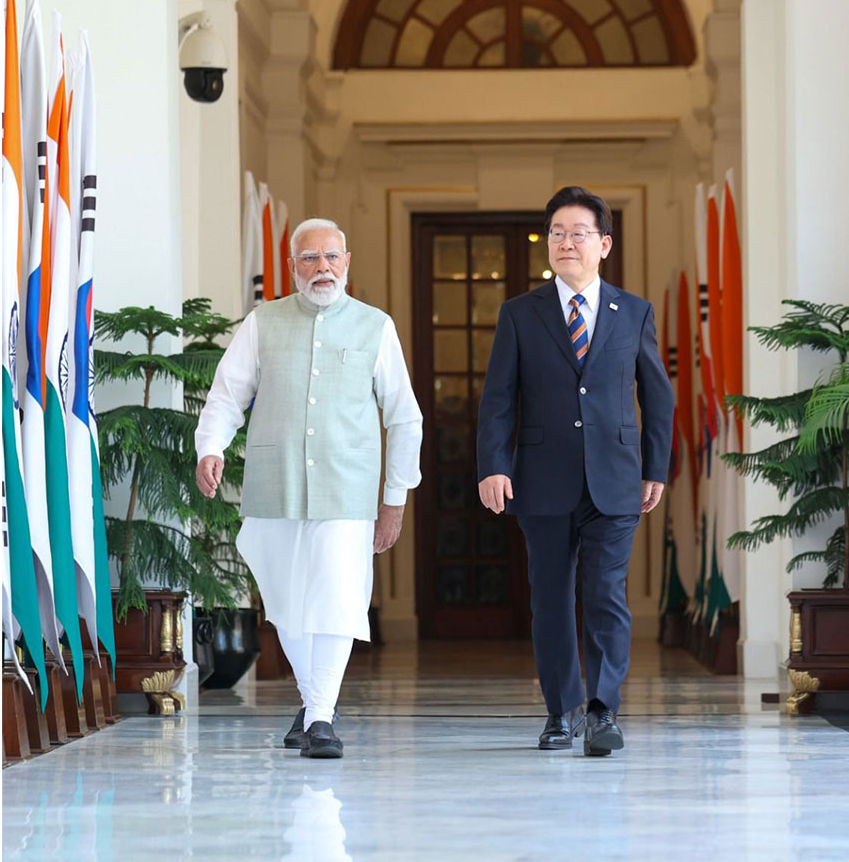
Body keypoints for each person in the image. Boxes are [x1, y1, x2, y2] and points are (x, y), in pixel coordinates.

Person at [196, 217, 422, 759]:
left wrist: (395, 498)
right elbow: (228, 394)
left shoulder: (376, 326)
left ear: (347, 263)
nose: (322, 267)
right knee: (287, 600)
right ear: (292, 266)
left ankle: (321, 717)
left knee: (338, 598)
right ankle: (314, 700)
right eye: (309, 258)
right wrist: (212, 446)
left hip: (347, 487)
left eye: (332, 257)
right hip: (275, 484)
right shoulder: (263, 322)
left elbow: (405, 417)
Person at [476, 186, 674, 756]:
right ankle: (560, 712)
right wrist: (494, 465)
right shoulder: (520, 313)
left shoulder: (634, 311)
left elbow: (656, 397)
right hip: (540, 479)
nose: (566, 242)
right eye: (556, 233)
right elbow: (497, 400)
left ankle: (603, 712)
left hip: (616, 478)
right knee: (553, 599)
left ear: (603, 244)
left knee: (607, 595)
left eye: (578, 232)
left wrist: (654, 465)